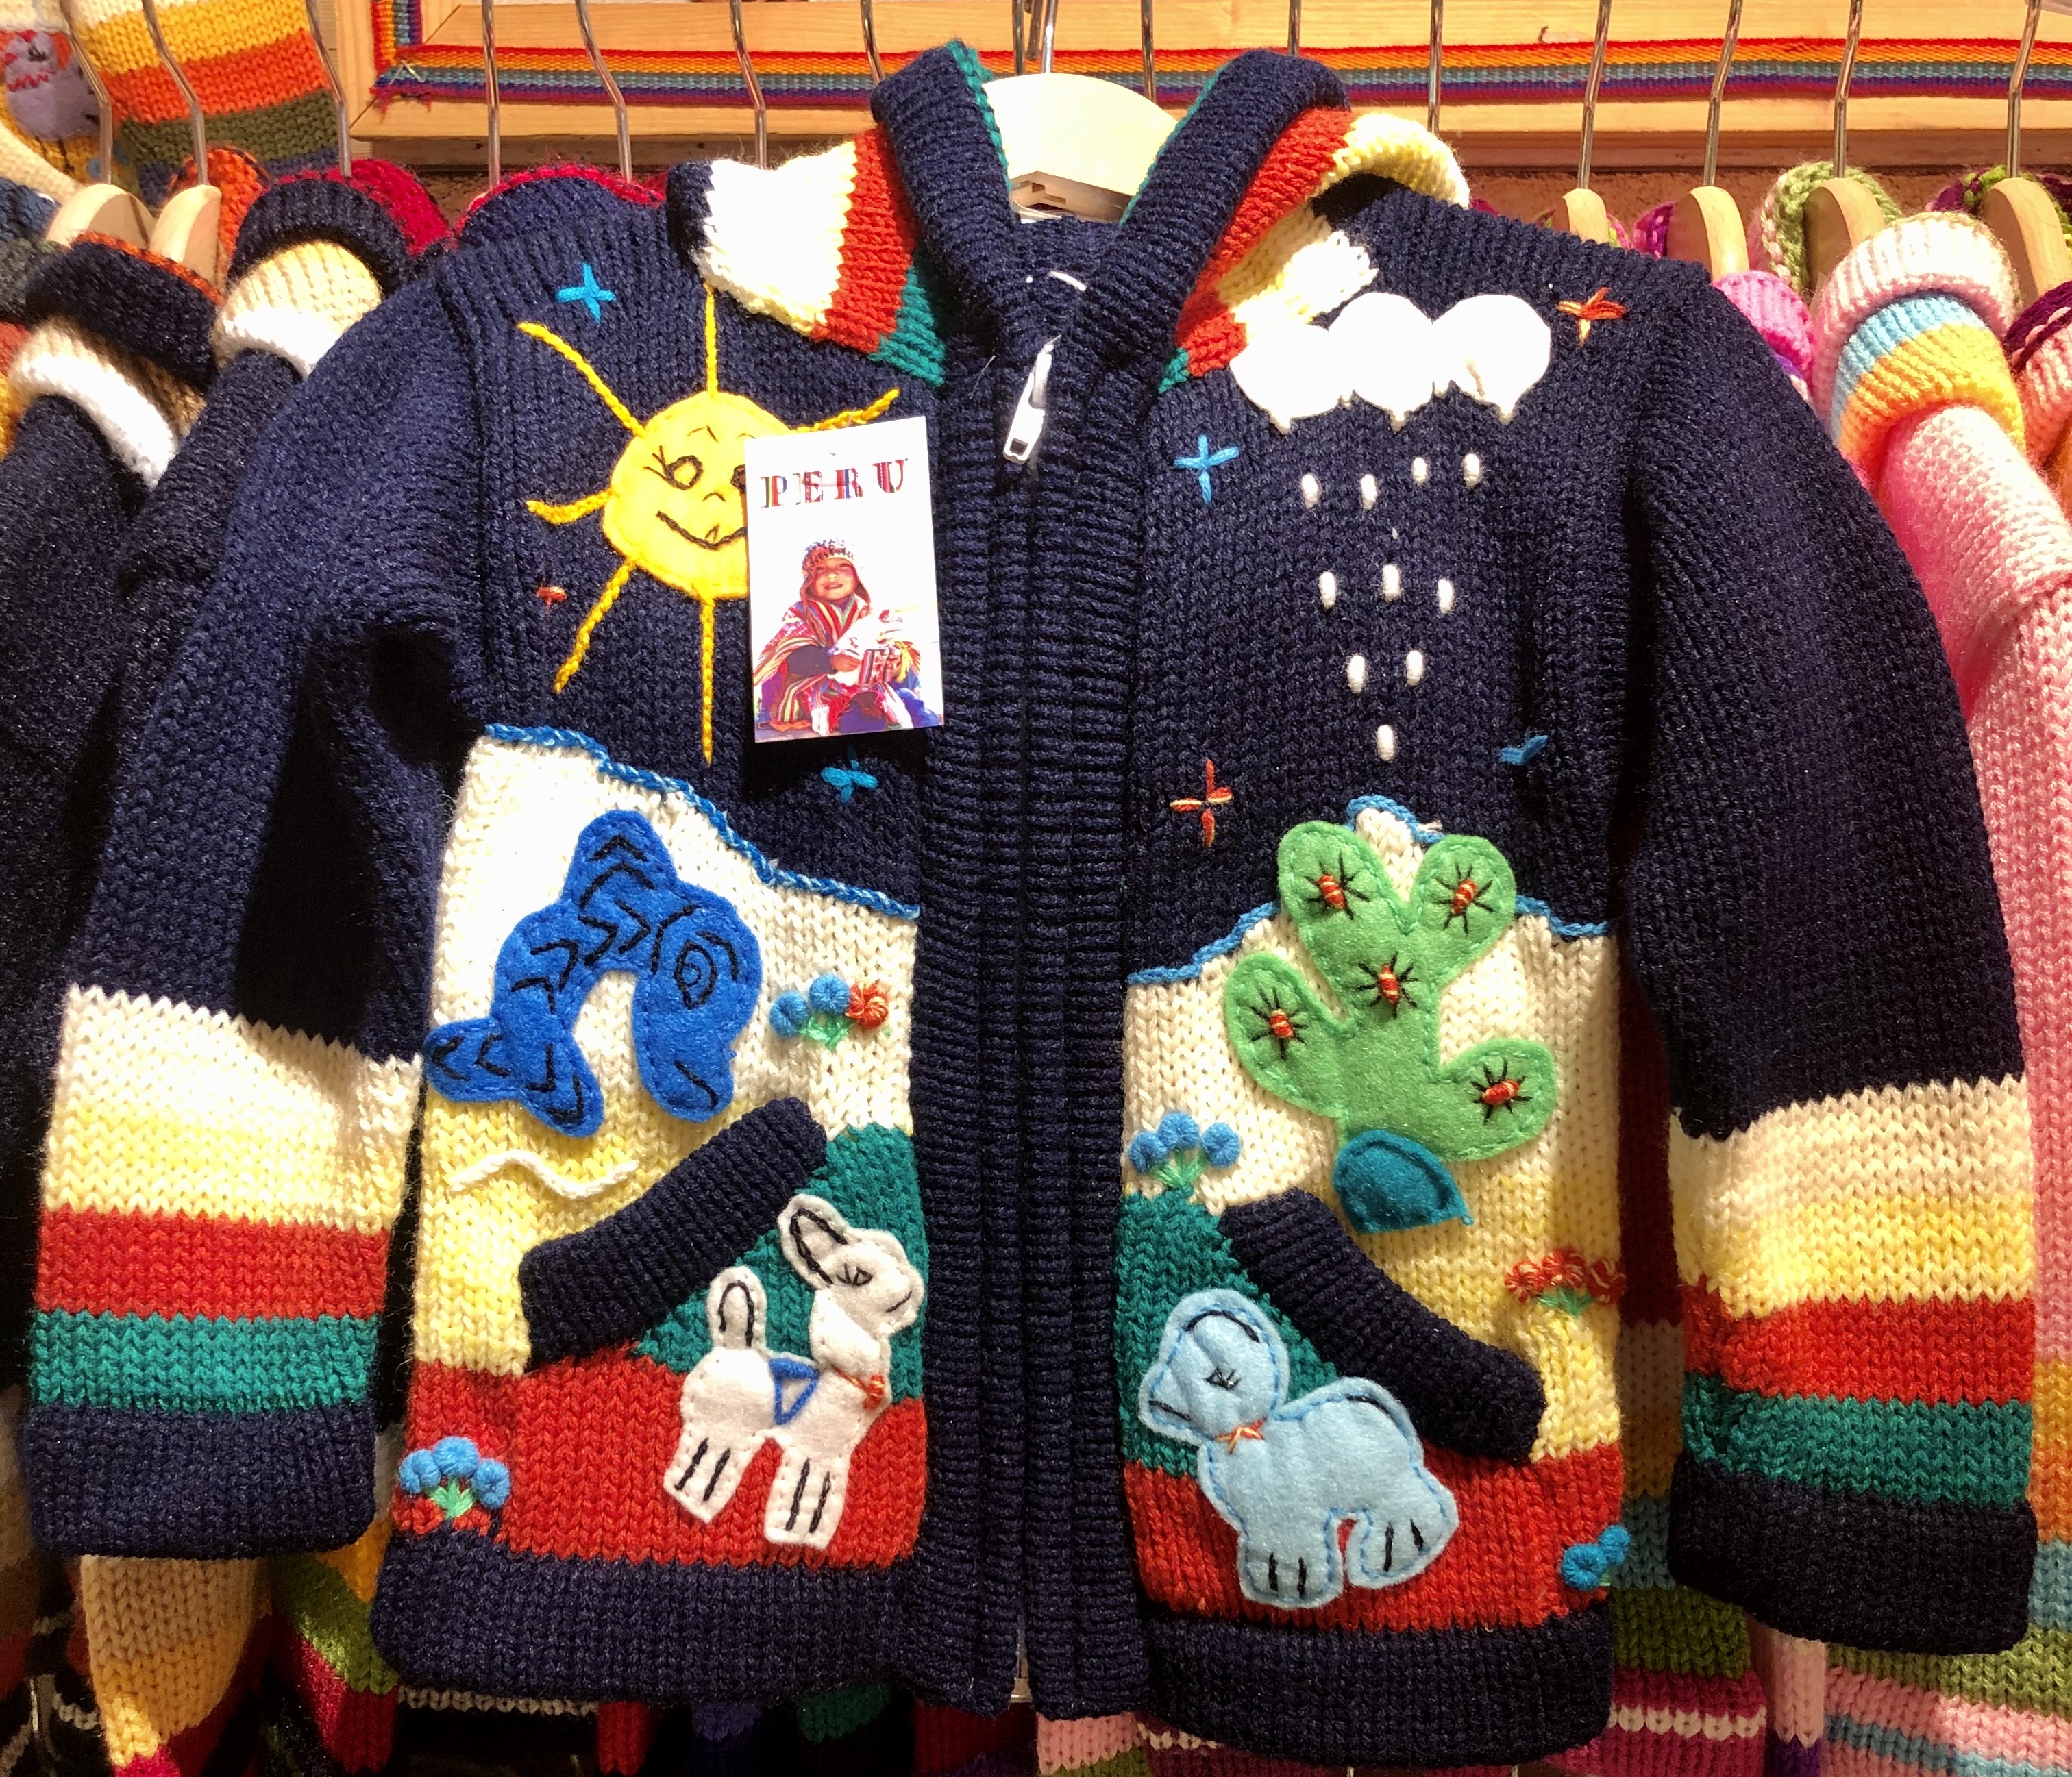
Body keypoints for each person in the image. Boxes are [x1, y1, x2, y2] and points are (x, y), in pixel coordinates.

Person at [753, 541, 930, 736]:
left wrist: (895, 660)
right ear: (808, 580)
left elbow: (897, 643)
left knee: (910, 700)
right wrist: (831, 661)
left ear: (857, 575)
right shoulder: (802, 613)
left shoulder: (872, 612)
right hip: (821, 687)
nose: (832, 574)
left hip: (875, 682)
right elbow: (791, 658)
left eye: (843, 566)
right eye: (821, 569)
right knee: (859, 717)